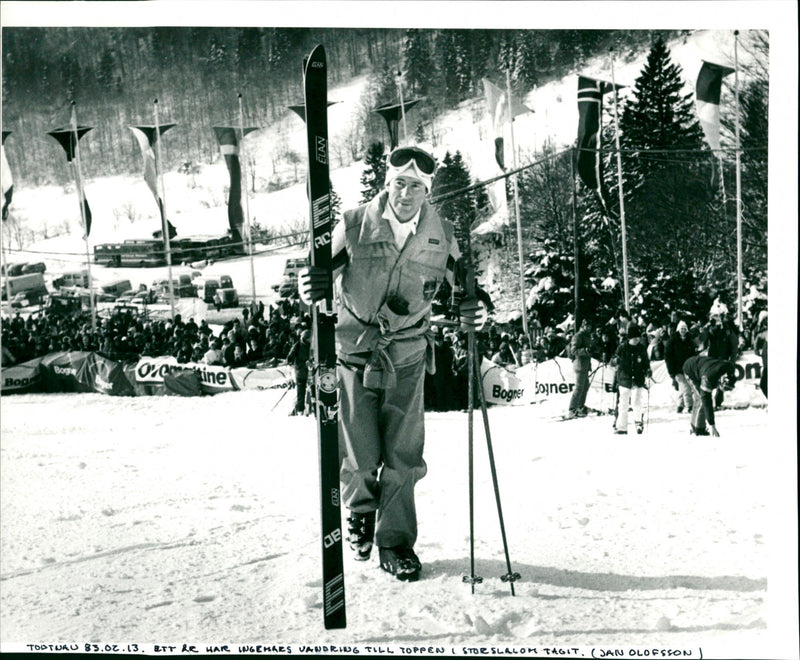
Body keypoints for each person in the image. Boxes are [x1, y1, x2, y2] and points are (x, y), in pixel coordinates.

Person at [299, 145, 484, 583]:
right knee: (360, 450)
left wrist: (473, 305)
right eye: (399, 184)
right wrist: (311, 283)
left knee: (404, 453)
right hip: (354, 347)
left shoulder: (443, 233)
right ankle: (360, 509)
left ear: (427, 191)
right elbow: (317, 277)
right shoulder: (354, 225)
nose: (405, 194)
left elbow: (466, 288)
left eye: (415, 187)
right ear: (388, 184)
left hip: (408, 353)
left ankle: (395, 541)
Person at [682, 355, 737, 436]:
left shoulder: (730, 367)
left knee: (700, 399)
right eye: (724, 388)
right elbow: (707, 402)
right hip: (690, 369)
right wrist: (712, 426)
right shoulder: (709, 378)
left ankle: (696, 426)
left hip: (702, 365)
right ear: (721, 381)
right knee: (701, 399)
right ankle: (698, 429)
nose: (724, 390)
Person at [612, 323, 652, 435]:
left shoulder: (641, 348)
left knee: (636, 401)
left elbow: (645, 362)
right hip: (624, 379)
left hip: (638, 379)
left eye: (638, 338)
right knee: (623, 404)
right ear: (629, 338)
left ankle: (638, 421)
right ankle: (621, 427)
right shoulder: (622, 347)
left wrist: (648, 370)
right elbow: (613, 360)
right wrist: (615, 361)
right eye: (634, 338)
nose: (636, 340)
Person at [664, 320, 696, 413]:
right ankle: (689, 405)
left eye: (684, 329)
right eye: (681, 329)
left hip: (688, 368)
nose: (683, 330)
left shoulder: (690, 341)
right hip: (677, 368)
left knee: (683, 387)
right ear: (678, 330)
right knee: (686, 387)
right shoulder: (672, 341)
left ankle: (680, 406)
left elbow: (693, 354)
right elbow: (668, 357)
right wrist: (671, 371)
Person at [565, 320, 592, 419]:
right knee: (579, 387)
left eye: (590, 326)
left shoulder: (586, 335)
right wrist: (585, 350)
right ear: (583, 326)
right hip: (580, 365)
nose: (589, 328)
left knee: (585, 386)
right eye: (587, 326)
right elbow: (573, 350)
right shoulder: (578, 336)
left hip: (585, 365)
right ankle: (572, 409)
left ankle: (580, 406)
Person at [286, 328, 311, 416]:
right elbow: (290, 357)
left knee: (312, 390)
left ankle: (311, 408)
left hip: (311, 371)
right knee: (301, 392)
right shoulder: (298, 345)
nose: (310, 340)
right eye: (309, 338)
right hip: (301, 371)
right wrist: (294, 364)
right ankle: (299, 409)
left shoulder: (312, 346)